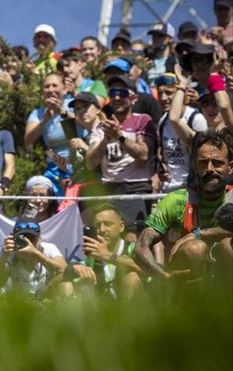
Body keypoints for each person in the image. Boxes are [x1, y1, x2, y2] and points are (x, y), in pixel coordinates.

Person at [132, 131, 233, 285]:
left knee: (228, 246)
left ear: (230, 167)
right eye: (203, 162)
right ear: (194, 166)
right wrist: (162, 274)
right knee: (194, 249)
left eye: (217, 162)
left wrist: (197, 234)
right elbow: (141, 247)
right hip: (188, 286)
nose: (210, 168)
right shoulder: (177, 200)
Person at [86, 75, 156, 230]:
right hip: (108, 188)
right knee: (107, 236)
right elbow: (90, 163)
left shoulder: (143, 120)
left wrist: (119, 136)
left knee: (134, 237)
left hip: (136, 188)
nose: (117, 97)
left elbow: (144, 154)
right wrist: (105, 140)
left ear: (133, 98)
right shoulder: (101, 127)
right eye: (112, 93)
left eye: (122, 93)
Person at [80, 203, 145, 298]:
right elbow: (64, 272)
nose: (102, 229)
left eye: (107, 224)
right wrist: (76, 268)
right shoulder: (91, 251)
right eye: (97, 225)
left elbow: (147, 270)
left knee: (131, 278)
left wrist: (108, 256)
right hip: (102, 308)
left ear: (121, 226)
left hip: (131, 309)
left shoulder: (133, 248)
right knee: (67, 283)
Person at [0, 220, 66, 297]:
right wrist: (4, 256)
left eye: (31, 238)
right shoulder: (9, 252)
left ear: (39, 238)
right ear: (14, 239)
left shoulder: (48, 249)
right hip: (18, 303)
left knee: (69, 275)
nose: (27, 243)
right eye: (22, 238)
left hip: (43, 298)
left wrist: (36, 253)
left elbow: (64, 270)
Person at [158, 73, 207, 192]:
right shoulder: (163, 120)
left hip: (190, 189)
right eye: (160, 93)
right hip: (168, 189)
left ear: (182, 94)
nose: (163, 98)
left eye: (169, 93)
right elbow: (165, 153)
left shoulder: (196, 119)